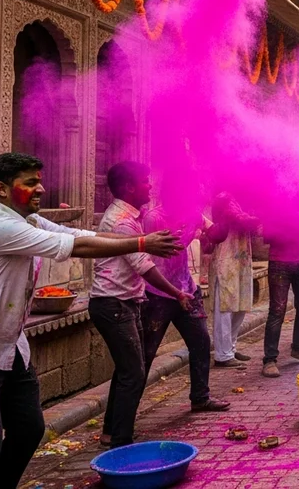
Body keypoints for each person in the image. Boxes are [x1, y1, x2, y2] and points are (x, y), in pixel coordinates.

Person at [0, 153, 181, 488]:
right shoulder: (1, 227)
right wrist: (140, 242)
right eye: (30, 182)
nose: (41, 188)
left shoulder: (29, 221)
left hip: (8, 350)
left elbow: (81, 232)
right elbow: (77, 246)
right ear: (2, 189)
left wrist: (141, 242)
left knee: (29, 430)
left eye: (39, 180)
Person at [91, 162, 198, 449]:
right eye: (145, 181)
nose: (150, 186)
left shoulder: (129, 216)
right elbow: (145, 266)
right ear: (128, 187)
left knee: (129, 369)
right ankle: (120, 442)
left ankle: (111, 432)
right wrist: (177, 293)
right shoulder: (124, 221)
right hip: (113, 304)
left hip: (121, 303)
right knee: (133, 372)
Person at [139, 200, 231, 414]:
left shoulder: (193, 212)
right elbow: (150, 257)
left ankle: (200, 397)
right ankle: (122, 418)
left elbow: (216, 235)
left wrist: (225, 215)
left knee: (201, 341)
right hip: (157, 292)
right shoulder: (154, 218)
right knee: (145, 354)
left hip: (186, 289)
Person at [208, 192, 258, 369]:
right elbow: (241, 219)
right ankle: (222, 355)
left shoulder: (243, 198)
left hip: (241, 258)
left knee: (240, 305)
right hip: (225, 258)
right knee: (225, 307)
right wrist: (266, 214)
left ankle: (231, 348)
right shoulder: (224, 197)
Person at [261, 232, 299, 377]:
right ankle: (270, 359)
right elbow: (266, 236)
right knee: (277, 310)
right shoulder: (272, 209)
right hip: (279, 262)